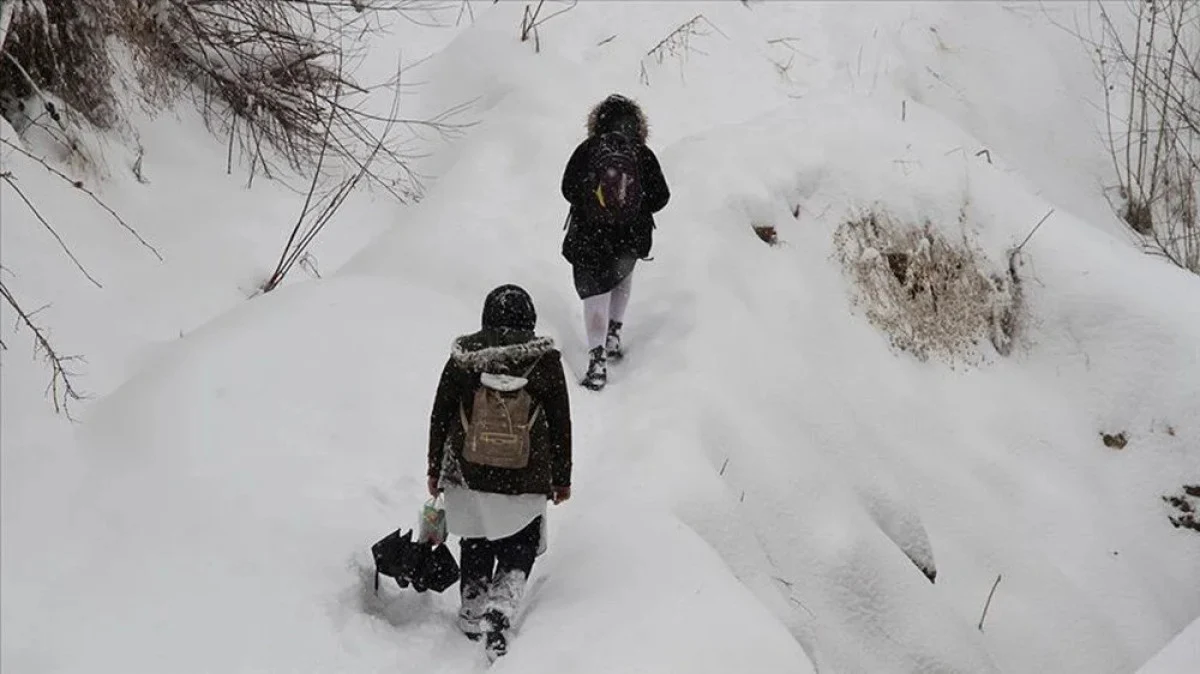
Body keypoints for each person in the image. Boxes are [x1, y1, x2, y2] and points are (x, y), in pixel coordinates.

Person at [427, 284, 572, 662]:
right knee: (520, 539)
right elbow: (560, 422)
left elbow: (441, 413)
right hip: (526, 472)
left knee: (476, 535)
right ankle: (502, 605)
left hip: (467, 469)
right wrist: (562, 477)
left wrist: (433, 469)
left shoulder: (465, 358)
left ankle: (473, 605)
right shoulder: (545, 361)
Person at [560, 93, 670, 390]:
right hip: (629, 237)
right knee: (621, 275)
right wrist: (632, 206)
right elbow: (661, 197)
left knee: (594, 292)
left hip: (588, 237)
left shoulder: (588, 149)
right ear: (637, 125)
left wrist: (593, 204)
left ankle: (597, 359)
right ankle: (614, 333)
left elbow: (567, 188)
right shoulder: (642, 154)